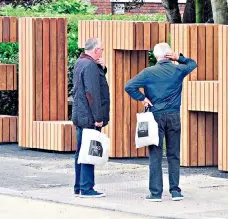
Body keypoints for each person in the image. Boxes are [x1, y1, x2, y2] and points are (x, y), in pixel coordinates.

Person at [124, 43, 197, 202]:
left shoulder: (148, 72)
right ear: (169, 55)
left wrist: (142, 98)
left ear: (156, 56)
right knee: (173, 154)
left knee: (155, 154)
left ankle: (155, 193)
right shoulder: (178, 69)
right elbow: (193, 64)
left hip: (155, 116)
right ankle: (175, 191)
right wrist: (179, 58)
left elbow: (129, 86)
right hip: (173, 115)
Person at [72, 38, 110, 198]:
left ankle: (79, 187)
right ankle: (87, 188)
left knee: (81, 151)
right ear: (95, 50)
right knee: (88, 150)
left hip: (80, 114)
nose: (102, 52)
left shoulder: (80, 62)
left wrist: (103, 68)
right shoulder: (90, 66)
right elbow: (92, 93)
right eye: (101, 49)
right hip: (89, 117)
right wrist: (98, 117)